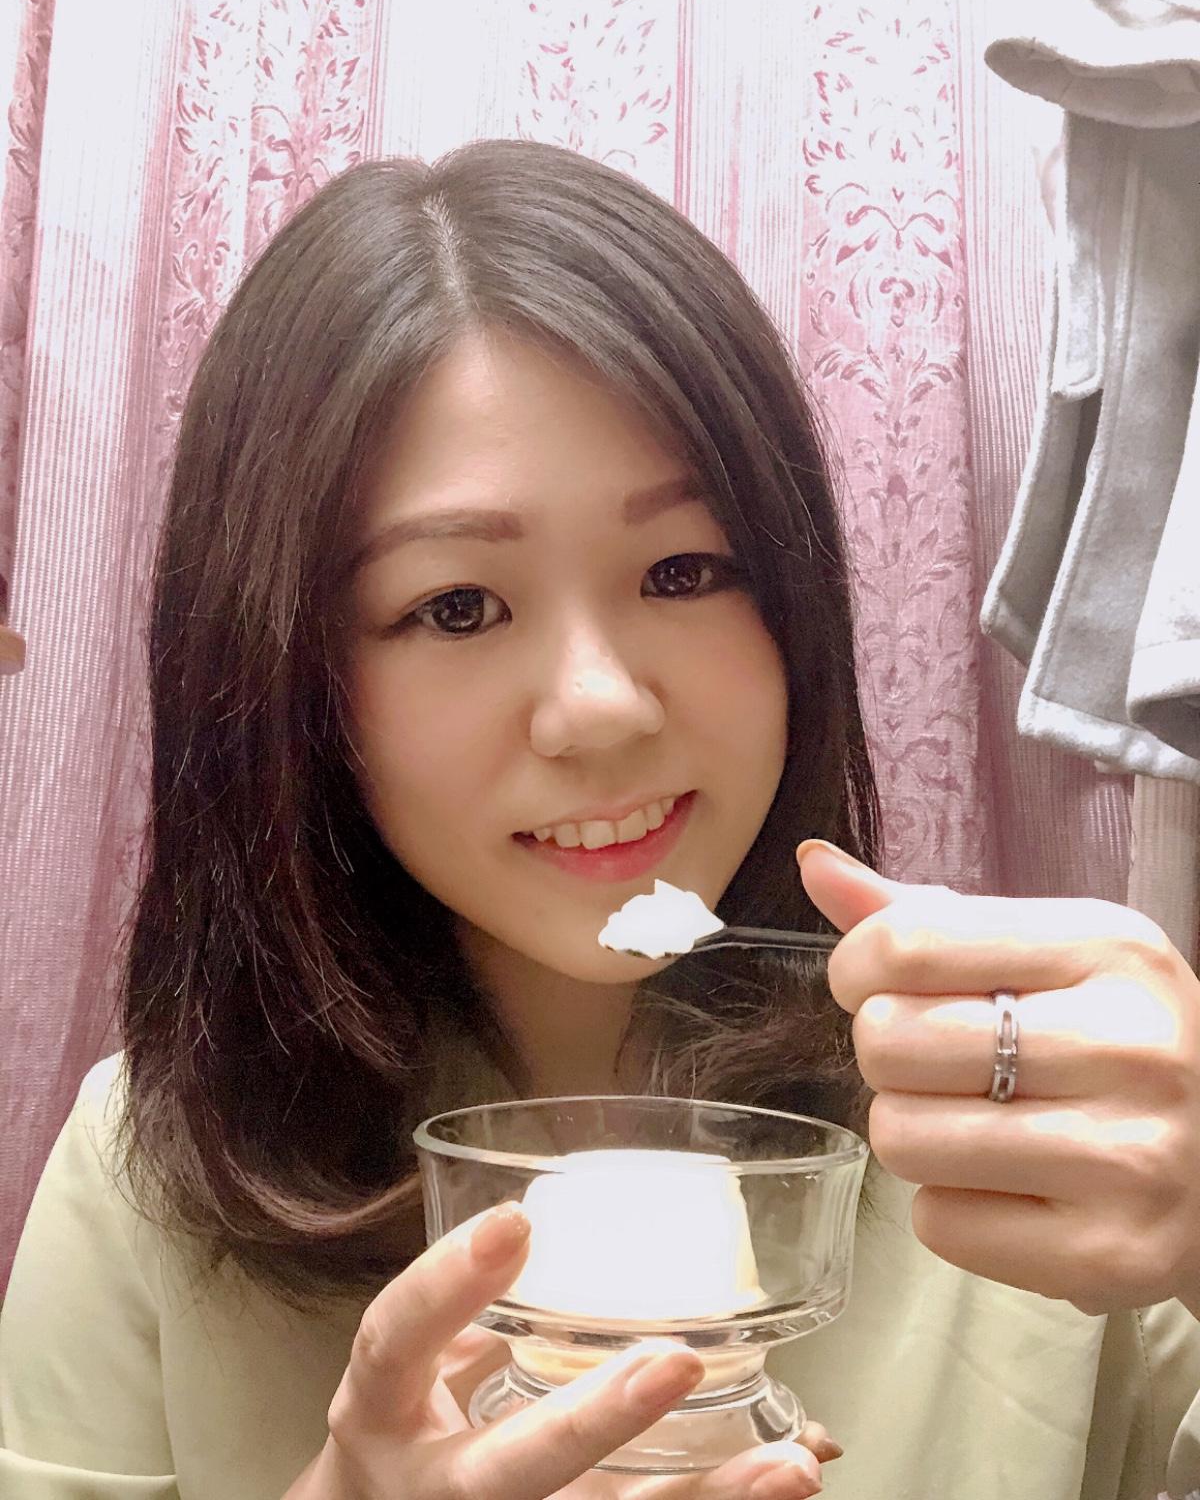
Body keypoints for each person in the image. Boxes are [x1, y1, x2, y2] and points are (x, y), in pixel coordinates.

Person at [2, 139, 1200, 1500]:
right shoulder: (147, 1177)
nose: (600, 707)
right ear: (290, 679)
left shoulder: (1047, 1140)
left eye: (683, 571)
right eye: (457, 606)